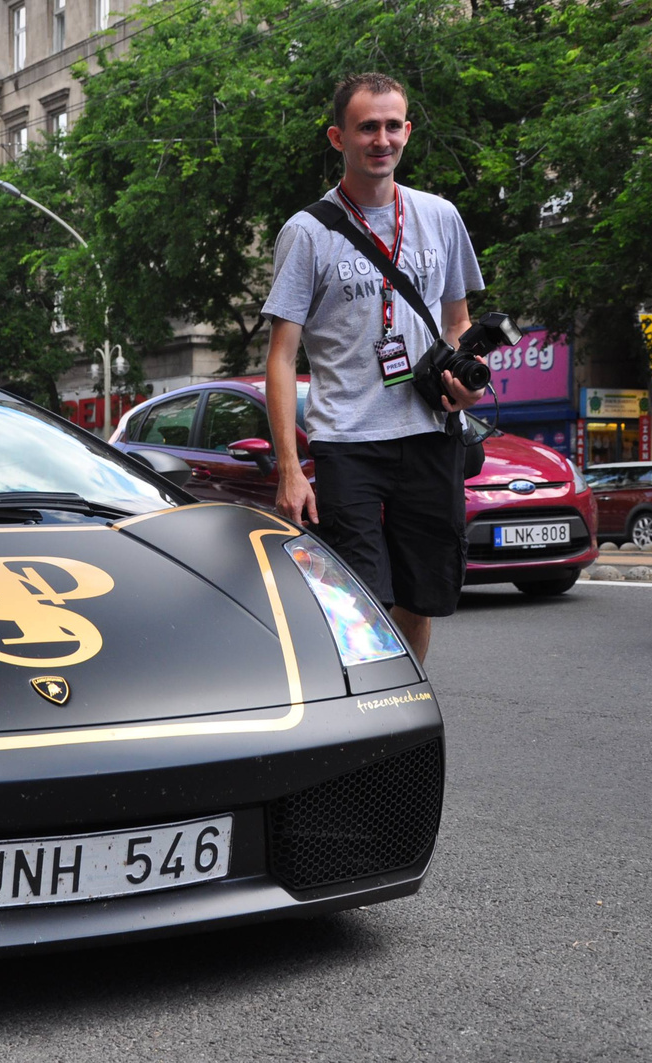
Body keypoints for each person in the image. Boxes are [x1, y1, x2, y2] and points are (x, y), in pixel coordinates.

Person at [261, 73, 485, 664]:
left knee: (423, 593)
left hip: (431, 434)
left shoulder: (440, 217)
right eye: (367, 127)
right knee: (362, 597)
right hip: (349, 442)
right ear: (339, 137)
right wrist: (290, 466)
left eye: (392, 126)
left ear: (407, 132)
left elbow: (457, 321)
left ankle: (406, 704)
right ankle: (367, 710)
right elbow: (281, 357)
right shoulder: (307, 232)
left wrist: (463, 377)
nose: (381, 139)